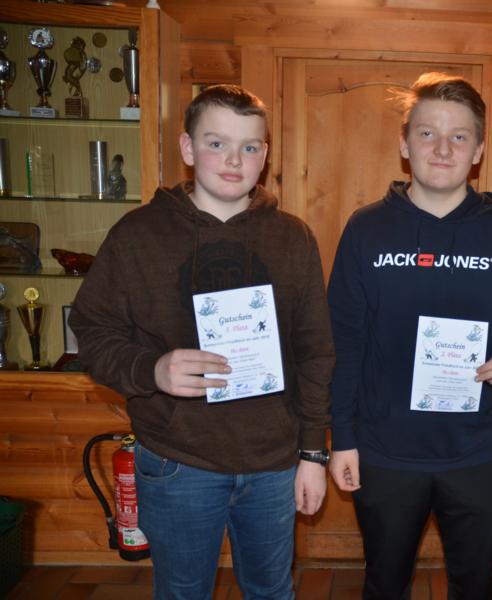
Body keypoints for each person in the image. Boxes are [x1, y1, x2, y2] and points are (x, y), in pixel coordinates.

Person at [69, 84, 334, 599]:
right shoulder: (137, 235)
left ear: (265, 156)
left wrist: (312, 453)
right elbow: (93, 330)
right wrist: (152, 369)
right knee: (182, 593)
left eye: (249, 147)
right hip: (177, 461)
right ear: (188, 149)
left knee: (272, 592)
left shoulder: (294, 237)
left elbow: (315, 352)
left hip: (274, 463)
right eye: (217, 144)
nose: (234, 160)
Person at [327, 72, 492, 600]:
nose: (443, 149)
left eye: (459, 136)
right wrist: (342, 439)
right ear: (405, 144)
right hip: (384, 453)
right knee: (385, 585)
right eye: (427, 133)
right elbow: (343, 343)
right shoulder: (365, 230)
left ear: (478, 150)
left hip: (479, 452)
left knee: (474, 586)